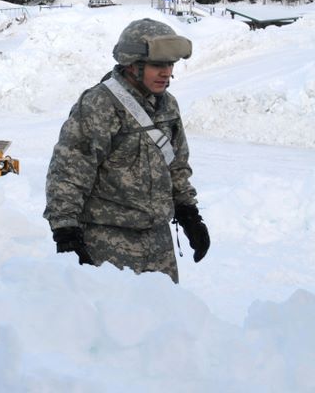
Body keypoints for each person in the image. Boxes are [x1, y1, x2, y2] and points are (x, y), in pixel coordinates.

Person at [43, 18, 210, 283]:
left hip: (158, 244)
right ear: (133, 65)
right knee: (115, 322)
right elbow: (69, 171)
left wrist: (189, 214)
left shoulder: (167, 106)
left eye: (170, 64)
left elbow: (176, 165)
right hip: (108, 243)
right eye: (158, 65)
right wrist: (66, 231)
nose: (167, 72)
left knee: (164, 320)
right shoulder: (100, 104)